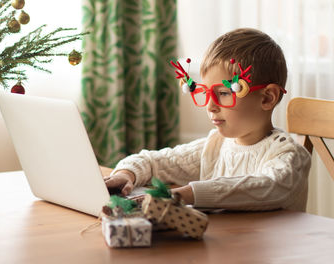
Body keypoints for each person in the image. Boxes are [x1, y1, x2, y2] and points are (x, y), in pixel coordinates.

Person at [104, 28, 311, 211]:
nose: (210, 106)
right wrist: (126, 174)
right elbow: (151, 161)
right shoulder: (216, 146)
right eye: (206, 92)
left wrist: (188, 194)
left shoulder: (289, 155)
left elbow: (268, 186)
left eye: (222, 93)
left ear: (267, 98)